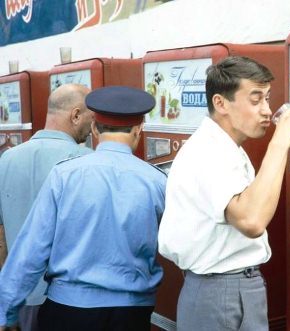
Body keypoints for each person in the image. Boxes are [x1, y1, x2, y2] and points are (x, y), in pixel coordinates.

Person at [158, 56, 290, 330]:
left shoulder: (225, 148)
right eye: (255, 100)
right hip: (220, 291)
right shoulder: (209, 151)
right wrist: (280, 142)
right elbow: (251, 221)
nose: (267, 110)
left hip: (229, 287)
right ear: (220, 103)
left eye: (267, 99)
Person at [0, 86, 166, 331]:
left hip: (68, 310)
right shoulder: (158, 180)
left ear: (95, 129)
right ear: (138, 130)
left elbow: (31, 249)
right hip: (133, 312)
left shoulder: (64, 175)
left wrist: (7, 310)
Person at [0, 83, 94, 331]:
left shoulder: (7, 159)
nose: (92, 128)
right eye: (90, 118)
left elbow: (1, 239)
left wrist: (5, 302)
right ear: (75, 115)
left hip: (19, 296)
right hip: (69, 301)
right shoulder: (86, 162)